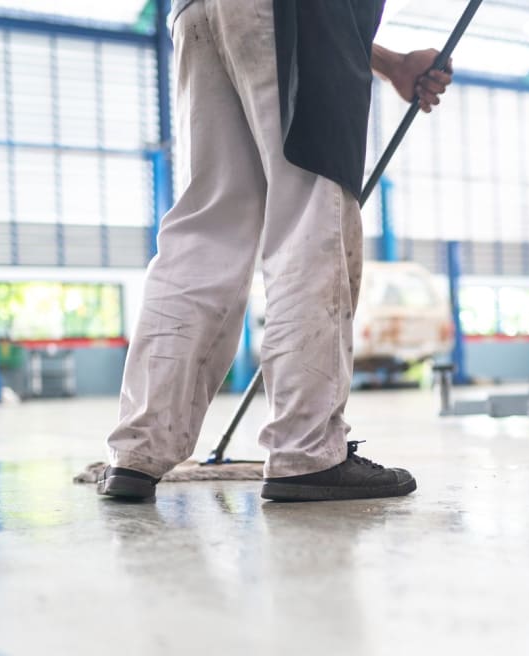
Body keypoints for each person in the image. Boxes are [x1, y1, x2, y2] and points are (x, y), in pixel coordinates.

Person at [99, 0, 452, 502]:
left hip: (196, 14)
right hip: (296, 17)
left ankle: (136, 452)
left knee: (204, 233)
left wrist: (391, 63)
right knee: (312, 213)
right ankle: (305, 454)